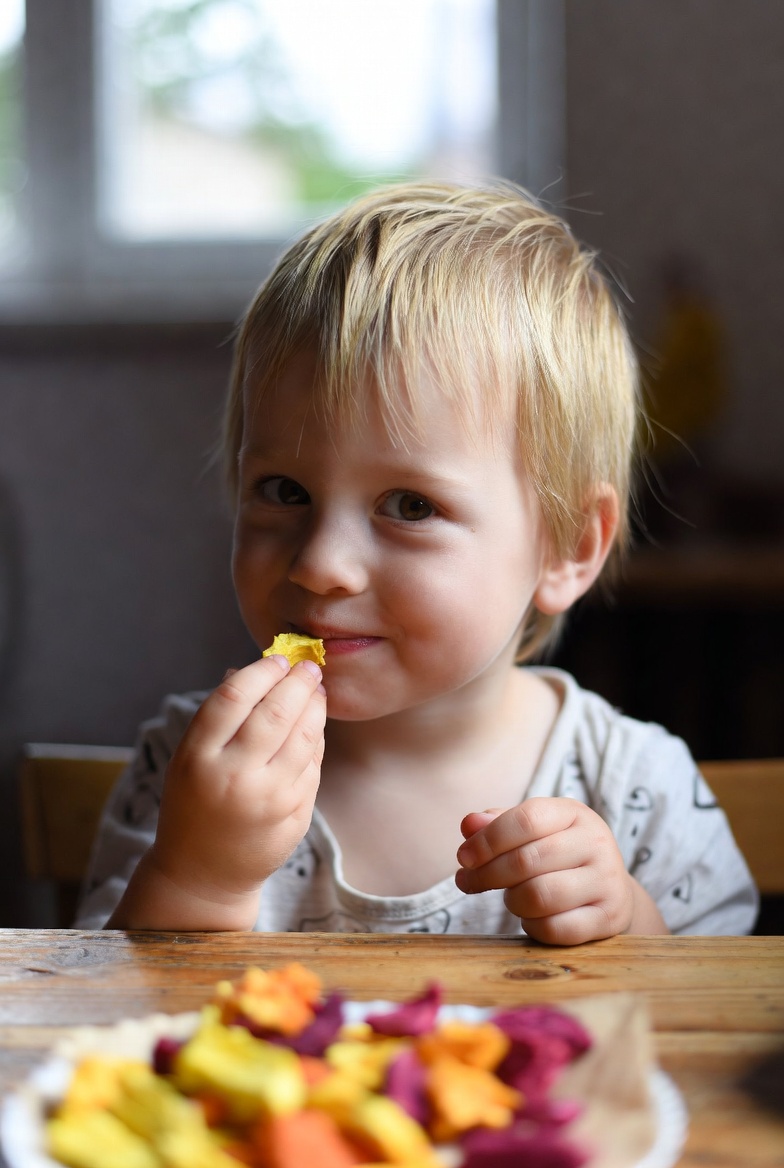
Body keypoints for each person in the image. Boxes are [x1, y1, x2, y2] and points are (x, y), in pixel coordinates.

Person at [76, 180, 757, 941]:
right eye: (284, 490)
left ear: (568, 546)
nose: (321, 566)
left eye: (409, 505)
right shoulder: (188, 768)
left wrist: (630, 928)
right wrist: (198, 875)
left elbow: (724, 1039)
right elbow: (111, 1024)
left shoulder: (634, 788)